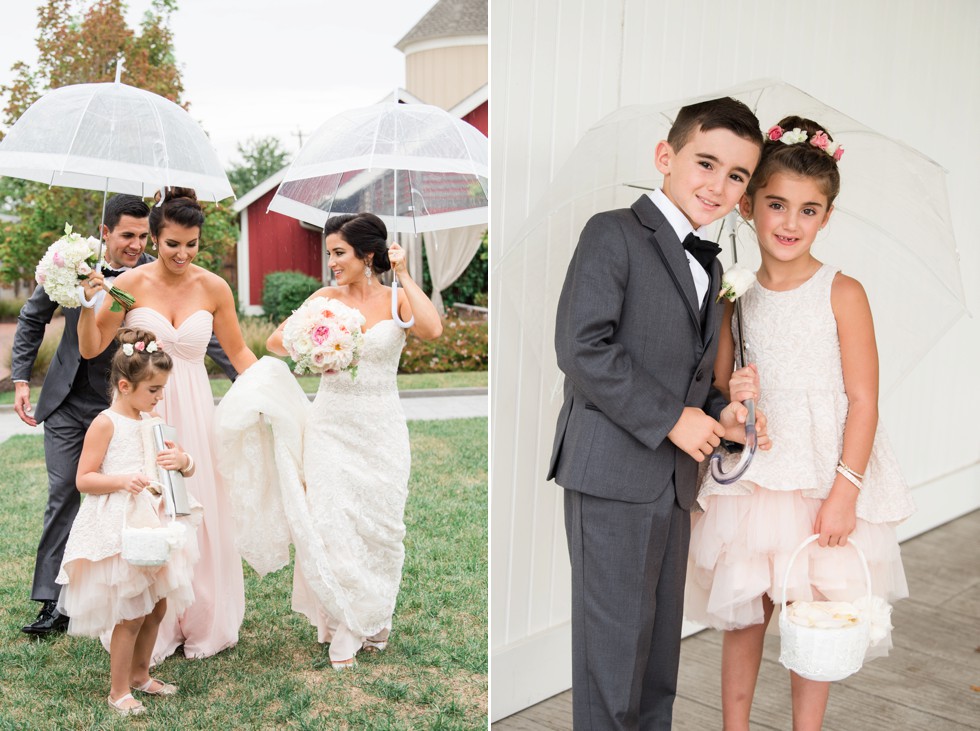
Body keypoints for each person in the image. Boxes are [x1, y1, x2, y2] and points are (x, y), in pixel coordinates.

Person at [547, 97, 772, 730]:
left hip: (674, 481)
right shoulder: (613, 232)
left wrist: (722, 417)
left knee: (655, 657)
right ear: (665, 157)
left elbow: (690, 378)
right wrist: (674, 418)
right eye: (706, 163)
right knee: (612, 653)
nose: (719, 185)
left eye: (737, 177)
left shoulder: (715, 263)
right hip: (614, 472)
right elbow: (582, 348)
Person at [684, 116, 914, 731]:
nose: (790, 223)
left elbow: (863, 401)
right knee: (747, 613)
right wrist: (735, 390)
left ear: (827, 217)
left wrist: (846, 491)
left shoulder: (843, 292)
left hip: (821, 476)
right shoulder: (734, 294)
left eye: (809, 210)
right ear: (748, 208)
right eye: (777, 205)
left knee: (813, 613)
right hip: (760, 474)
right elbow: (721, 387)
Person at [217, 211, 442, 670]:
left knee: (382, 529)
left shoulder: (397, 298)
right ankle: (345, 625)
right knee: (333, 522)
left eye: (339, 253)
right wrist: (319, 347)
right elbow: (278, 342)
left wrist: (402, 272)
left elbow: (431, 328)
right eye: (330, 254)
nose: (332, 262)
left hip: (381, 426)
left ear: (368, 254)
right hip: (331, 425)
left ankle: (374, 614)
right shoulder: (325, 298)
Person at [11, 194, 234, 637]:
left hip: (125, 404)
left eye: (140, 236)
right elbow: (34, 317)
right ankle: (54, 603)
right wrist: (21, 377)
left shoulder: (156, 272)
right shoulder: (69, 262)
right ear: (105, 233)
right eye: (126, 236)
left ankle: (128, 595)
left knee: (132, 500)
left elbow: (196, 334)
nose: (135, 245)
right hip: (66, 400)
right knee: (63, 494)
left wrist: (243, 379)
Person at [78, 187, 257, 663]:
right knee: (148, 508)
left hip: (196, 408)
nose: (183, 253)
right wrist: (84, 303)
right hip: (143, 411)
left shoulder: (214, 287)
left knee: (199, 508)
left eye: (192, 243)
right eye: (173, 243)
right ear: (154, 238)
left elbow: (237, 352)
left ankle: (201, 617)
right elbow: (94, 347)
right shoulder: (129, 284)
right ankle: (148, 627)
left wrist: (265, 389)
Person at [58, 327, 202, 717]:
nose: (160, 397)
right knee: (131, 611)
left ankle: (141, 675)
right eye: (153, 390)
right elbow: (84, 479)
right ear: (124, 384)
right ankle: (118, 690)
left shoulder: (153, 421)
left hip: (156, 522)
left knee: (156, 607)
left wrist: (183, 462)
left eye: (161, 389)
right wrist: (122, 480)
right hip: (122, 525)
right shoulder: (106, 423)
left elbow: (182, 466)